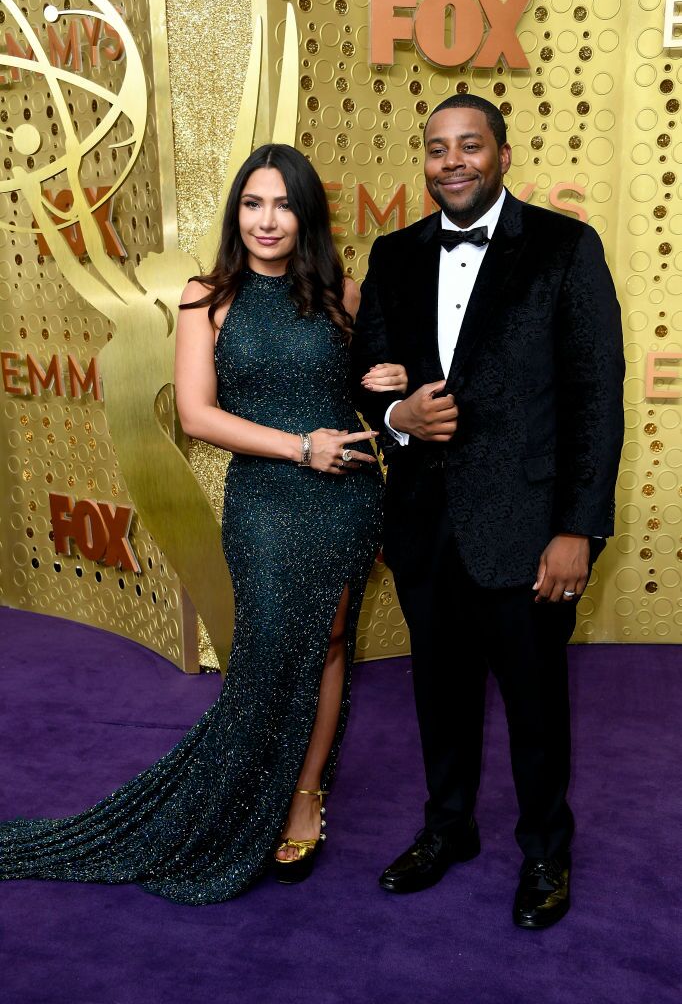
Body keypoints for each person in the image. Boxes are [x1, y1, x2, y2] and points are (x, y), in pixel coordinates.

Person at [0, 144, 406, 904]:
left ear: (306, 215)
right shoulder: (205, 297)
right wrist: (299, 447)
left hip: (347, 495)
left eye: (284, 204)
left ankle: (306, 796)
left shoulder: (343, 294)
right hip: (265, 499)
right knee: (264, 651)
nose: (267, 219)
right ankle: (237, 796)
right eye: (253, 203)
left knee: (328, 643)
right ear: (236, 214)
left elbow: (374, 393)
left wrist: (387, 379)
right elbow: (196, 414)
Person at [352, 94, 624, 929]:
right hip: (427, 529)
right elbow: (365, 367)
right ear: (424, 161)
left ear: (503, 153)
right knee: (439, 695)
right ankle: (448, 829)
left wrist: (576, 529)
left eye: (470, 146)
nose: (453, 162)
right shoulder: (392, 254)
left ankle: (546, 849)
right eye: (437, 149)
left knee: (538, 706)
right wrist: (399, 420)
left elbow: (594, 399)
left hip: (531, 532)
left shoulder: (564, 247)